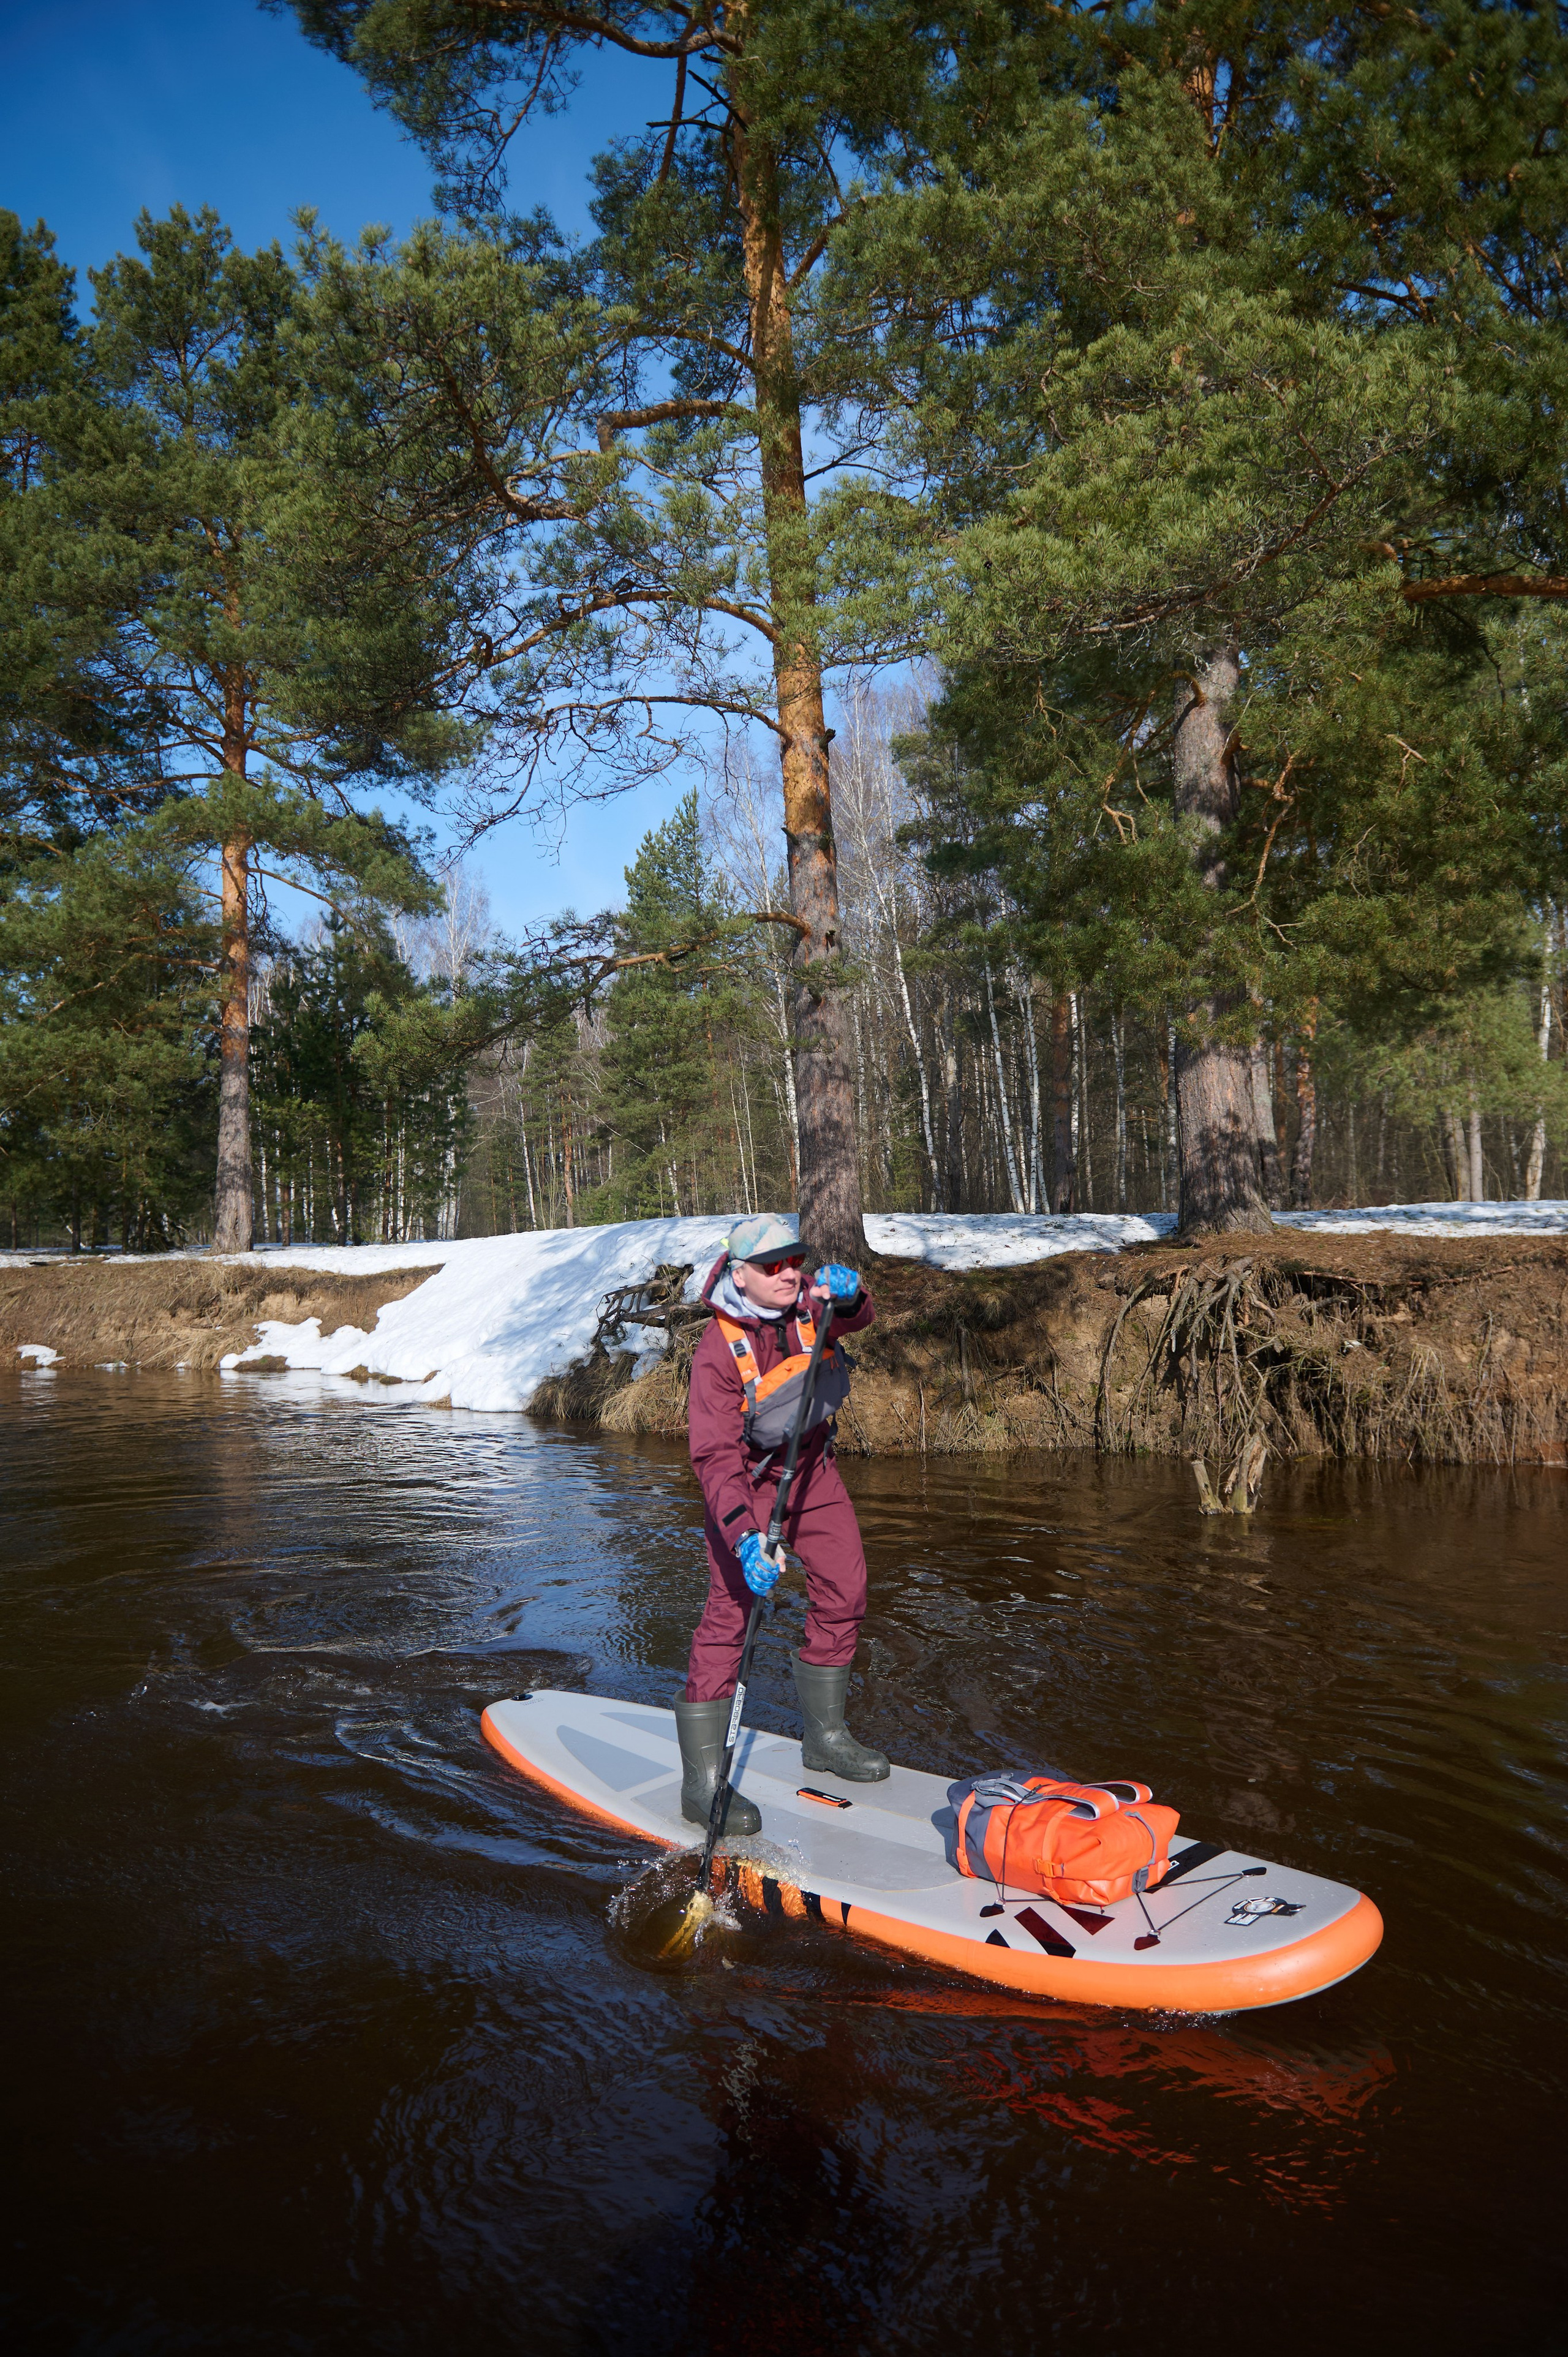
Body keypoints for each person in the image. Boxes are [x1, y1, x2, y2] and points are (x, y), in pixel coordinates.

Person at [676, 1212, 889, 1835]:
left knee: (846, 1590)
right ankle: (703, 1783)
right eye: (773, 1266)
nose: (789, 1272)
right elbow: (714, 1457)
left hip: (813, 1471)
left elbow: (858, 1317)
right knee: (729, 1618)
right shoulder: (717, 1349)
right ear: (739, 1274)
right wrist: (745, 1537)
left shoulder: (808, 1303)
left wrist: (851, 1294)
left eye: (794, 1259)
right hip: (748, 1483)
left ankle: (825, 1737)